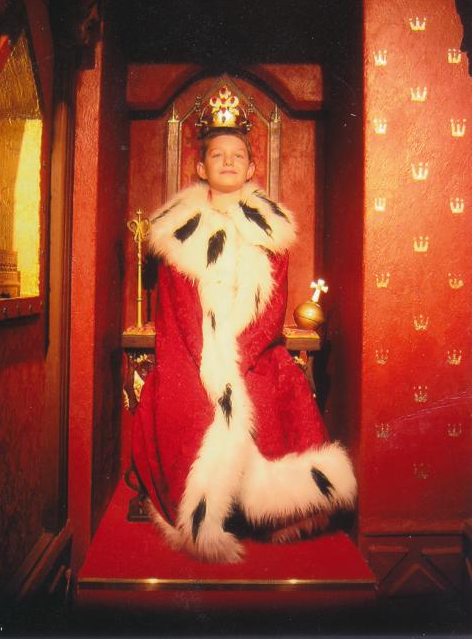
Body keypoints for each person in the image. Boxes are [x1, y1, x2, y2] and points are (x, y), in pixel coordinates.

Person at [132, 95, 356, 563]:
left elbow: (272, 309)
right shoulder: (179, 234)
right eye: (218, 155)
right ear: (201, 167)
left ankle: (270, 510)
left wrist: (239, 355)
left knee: (271, 394)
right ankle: (207, 511)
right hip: (191, 354)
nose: (228, 162)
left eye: (238, 155)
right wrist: (209, 364)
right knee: (185, 405)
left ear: (252, 168)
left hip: (256, 350)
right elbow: (176, 312)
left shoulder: (270, 233)